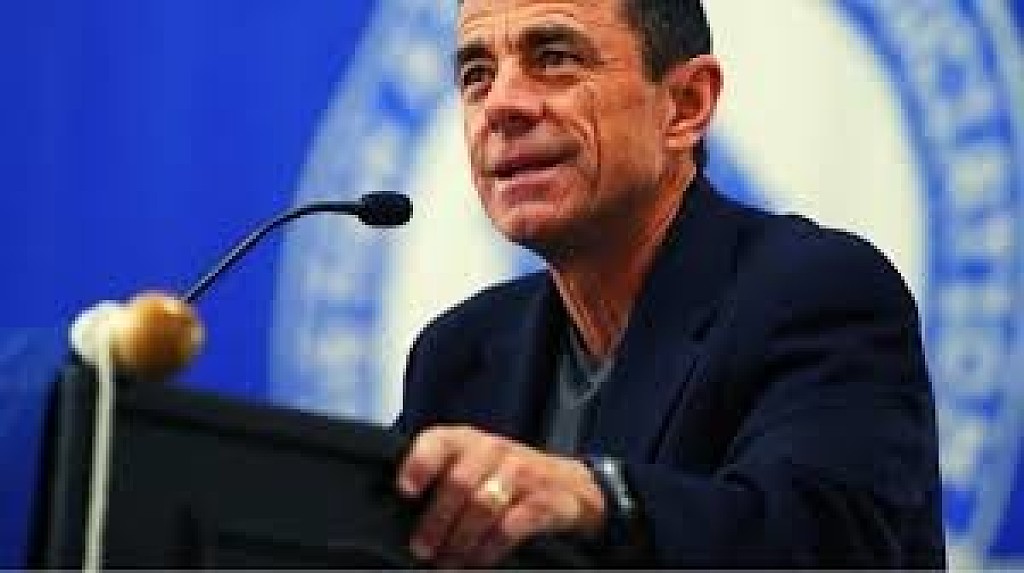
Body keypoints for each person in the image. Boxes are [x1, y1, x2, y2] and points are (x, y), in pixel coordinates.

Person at [392, 0, 946, 567]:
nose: (501, 105)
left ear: (686, 104)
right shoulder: (457, 355)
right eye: (477, 75)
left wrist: (597, 498)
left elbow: (820, 542)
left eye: (555, 58)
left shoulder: (817, 292)